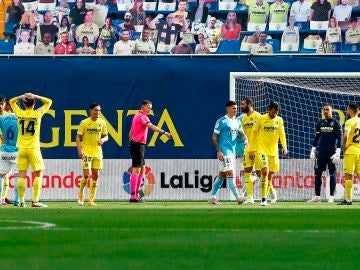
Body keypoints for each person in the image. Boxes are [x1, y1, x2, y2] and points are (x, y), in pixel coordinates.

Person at [9, 93, 52, 208]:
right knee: (38, 174)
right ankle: (35, 201)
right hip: (33, 148)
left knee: (21, 175)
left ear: (24, 103)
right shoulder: (37, 113)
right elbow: (49, 102)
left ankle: (22, 202)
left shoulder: (19, 113)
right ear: (34, 103)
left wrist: (21, 96)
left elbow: (11, 102)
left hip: (21, 149)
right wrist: (36, 96)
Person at [128, 100, 172, 202]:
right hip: (138, 145)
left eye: (150, 108)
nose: (150, 110)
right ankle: (133, 196)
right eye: (148, 107)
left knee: (142, 169)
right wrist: (164, 132)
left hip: (137, 144)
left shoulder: (136, 116)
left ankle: (136, 194)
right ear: (143, 106)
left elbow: (130, 132)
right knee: (136, 169)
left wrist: (132, 142)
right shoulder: (142, 116)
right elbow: (151, 126)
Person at [208, 101, 248, 205]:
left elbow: (242, 134)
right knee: (231, 173)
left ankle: (212, 197)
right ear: (228, 109)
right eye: (234, 108)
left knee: (221, 175)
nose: (236, 110)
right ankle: (238, 197)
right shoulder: (221, 121)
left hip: (232, 152)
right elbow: (214, 137)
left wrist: (246, 141)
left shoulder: (237, 121)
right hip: (224, 152)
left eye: (236, 108)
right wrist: (218, 151)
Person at [250, 102, 287, 206]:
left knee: (269, 176)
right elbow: (253, 133)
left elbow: (282, 135)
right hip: (262, 150)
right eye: (273, 111)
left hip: (273, 152)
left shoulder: (279, 120)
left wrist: (284, 147)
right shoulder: (261, 119)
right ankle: (263, 200)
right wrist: (251, 149)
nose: (275, 114)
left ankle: (270, 194)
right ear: (269, 109)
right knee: (264, 172)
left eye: (276, 112)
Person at [308, 103, 342, 203]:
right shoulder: (320, 123)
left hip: (332, 153)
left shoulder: (336, 123)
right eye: (324, 109)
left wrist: (338, 152)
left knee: (332, 174)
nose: (325, 111)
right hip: (321, 153)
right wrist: (313, 150)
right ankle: (317, 196)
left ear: (331, 111)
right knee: (317, 174)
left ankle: (331, 196)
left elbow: (340, 140)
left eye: (327, 109)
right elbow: (316, 138)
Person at [76, 103, 108, 206]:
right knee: (86, 175)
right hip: (86, 152)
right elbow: (78, 137)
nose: (98, 112)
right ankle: (81, 194)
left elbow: (106, 136)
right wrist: (79, 150)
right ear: (91, 111)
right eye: (95, 110)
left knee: (96, 175)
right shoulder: (84, 122)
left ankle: (91, 200)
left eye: (99, 110)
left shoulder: (102, 123)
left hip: (97, 153)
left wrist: (103, 140)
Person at [240, 98, 262, 204]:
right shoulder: (243, 120)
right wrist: (248, 149)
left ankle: (267, 194)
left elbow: (263, 134)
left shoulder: (258, 117)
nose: (241, 106)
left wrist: (255, 149)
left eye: (243, 104)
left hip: (258, 149)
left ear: (249, 104)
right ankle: (250, 198)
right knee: (247, 172)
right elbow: (245, 137)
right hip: (247, 150)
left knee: (259, 173)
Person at [338, 103, 360, 205]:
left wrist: (344, 147)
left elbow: (346, 136)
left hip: (351, 151)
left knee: (348, 176)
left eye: (347, 110)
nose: (346, 112)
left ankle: (348, 200)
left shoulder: (349, 122)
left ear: (351, 111)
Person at [0, 95, 20, 207]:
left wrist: (2, 137)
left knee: (2, 175)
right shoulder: (18, 118)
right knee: (17, 176)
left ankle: (1, 199)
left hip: (4, 150)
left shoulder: (2, 118)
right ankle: (17, 201)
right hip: (17, 150)